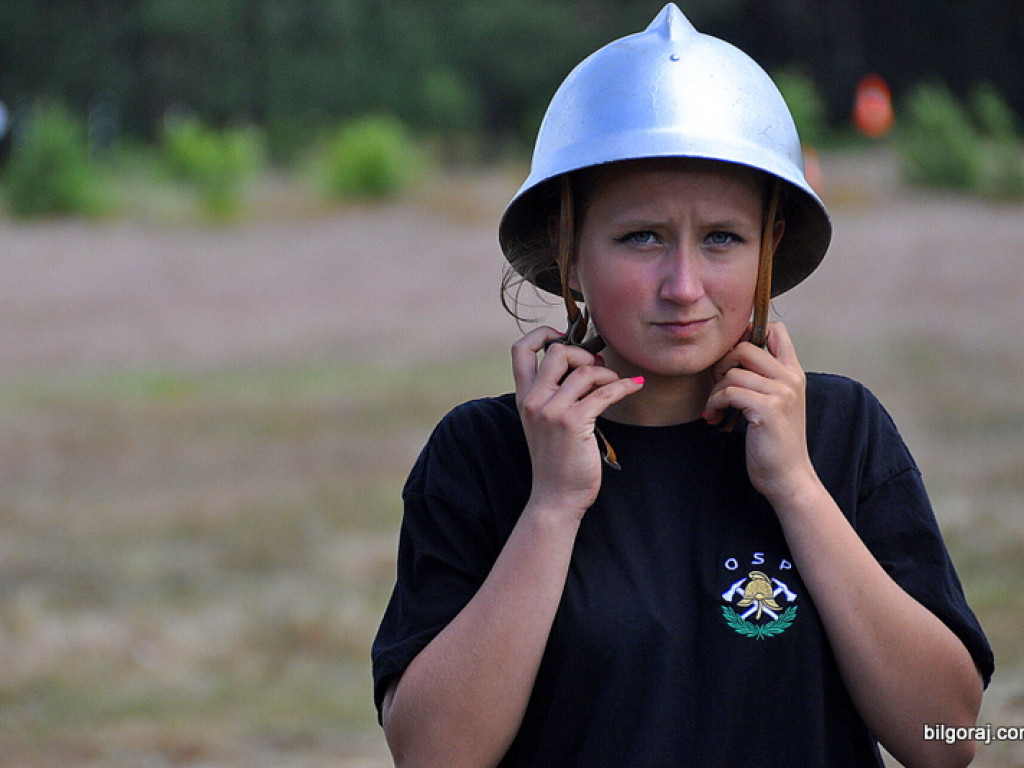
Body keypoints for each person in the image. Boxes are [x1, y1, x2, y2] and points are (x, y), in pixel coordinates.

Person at [371, 5, 993, 767]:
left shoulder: (843, 431)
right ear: (570, 256)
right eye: (642, 237)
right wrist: (553, 506)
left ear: (770, 249)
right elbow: (433, 755)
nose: (684, 285)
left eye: (723, 239)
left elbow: (953, 740)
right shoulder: (482, 454)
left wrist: (796, 486)